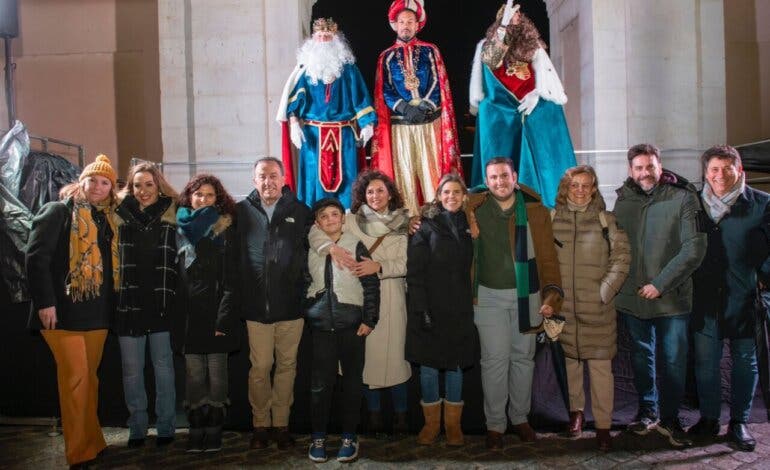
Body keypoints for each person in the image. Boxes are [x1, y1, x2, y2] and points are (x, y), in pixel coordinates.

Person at [26, 154, 119, 468]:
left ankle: (93, 440)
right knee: (75, 380)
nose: (97, 187)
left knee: (90, 379)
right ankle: (79, 452)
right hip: (63, 313)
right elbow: (35, 259)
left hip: (97, 313)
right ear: (82, 181)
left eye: (105, 182)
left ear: (111, 188)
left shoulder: (108, 219)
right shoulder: (57, 211)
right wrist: (45, 303)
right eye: (92, 180)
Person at [465, 157, 563, 449]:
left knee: (522, 359)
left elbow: (547, 257)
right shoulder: (474, 207)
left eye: (504, 176)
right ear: (486, 181)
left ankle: (520, 418)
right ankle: (495, 424)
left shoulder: (535, 210)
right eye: (493, 177)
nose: (500, 182)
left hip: (528, 295)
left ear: (515, 177)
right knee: (494, 361)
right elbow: (441, 202)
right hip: (488, 297)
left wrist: (552, 295)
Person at [613, 143, 706, 447]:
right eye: (639, 168)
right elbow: (616, 247)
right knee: (642, 358)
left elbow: (694, 249)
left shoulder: (683, 197)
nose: (645, 173)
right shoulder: (623, 201)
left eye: (650, 166)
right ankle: (647, 412)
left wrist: (660, 283)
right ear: (631, 170)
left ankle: (670, 419)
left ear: (660, 167)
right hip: (633, 298)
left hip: (671, 298)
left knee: (673, 360)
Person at [307, 170, 411, 436]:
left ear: (390, 194)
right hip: (360, 297)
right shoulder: (350, 219)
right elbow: (315, 231)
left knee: (396, 360)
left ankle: (401, 416)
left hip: (392, 296)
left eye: (380, 190)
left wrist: (379, 266)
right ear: (363, 195)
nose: (375, 196)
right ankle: (373, 416)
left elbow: (406, 263)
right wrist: (330, 248)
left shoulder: (403, 223)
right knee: (368, 361)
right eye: (370, 191)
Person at [688, 145, 770, 452]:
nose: (720, 175)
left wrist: (764, 280)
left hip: (744, 297)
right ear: (706, 173)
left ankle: (739, 422)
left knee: (745, 362)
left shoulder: (762, 204)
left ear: (739, 170)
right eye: (714, 169)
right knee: (705, 363)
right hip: (704, 298)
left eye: (726, 168)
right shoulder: (694, 204)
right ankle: (709, 419)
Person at [550, 165, 630, 451]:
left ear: (594, 188)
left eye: (586, 185)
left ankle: (603, 426)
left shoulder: (606, 220)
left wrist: (604, 292)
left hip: (598, 309)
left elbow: (622, 257)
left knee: (600, 368)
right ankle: (576, 414)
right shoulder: (552, 219)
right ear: (566, 188)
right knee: (571, 364)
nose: (580, 190)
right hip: (564, 309)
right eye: (575, 185)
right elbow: (544, 261)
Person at [235, 157, 312, 450]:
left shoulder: (300, 211)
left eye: (273, 175)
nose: (268, 181)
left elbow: (314, 249)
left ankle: (281, 424)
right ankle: (260, 425)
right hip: (256, 308)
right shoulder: (241, 212)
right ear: (254, 180)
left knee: (287, 366)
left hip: (291, 307)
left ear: (283, 179)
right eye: (262, 176)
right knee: (261, 367)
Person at [469, 0, 576, 208]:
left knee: (548, 111)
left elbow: (546, 78)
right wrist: (503, 28)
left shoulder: (533, 45)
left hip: (531, 102)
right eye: (511, 16)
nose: (516, 19)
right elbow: (491, 60)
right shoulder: (487, 45)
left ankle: (548, 198)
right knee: (490, 113)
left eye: (518, 16)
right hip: (500, 107)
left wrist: (537, 94)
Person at [370, 0, 463, 216]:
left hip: (429, 121)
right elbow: (384, 89)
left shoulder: (430, 50)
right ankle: (408, 221)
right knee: (404, 174)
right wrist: (404, 108)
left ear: (417, 25)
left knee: (432, 172)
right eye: (402, 21)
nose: (406, 26)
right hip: (401, 125)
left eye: (410, 21)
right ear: (395, 25)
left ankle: (438, 218)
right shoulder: (386, 56)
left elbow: (438, 81)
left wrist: (425, 105)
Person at [304, 198, 380, 463]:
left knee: (352, 383)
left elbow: (371, 284)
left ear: (343, 218)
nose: (330, 220)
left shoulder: (355, 245)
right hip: (321, 326)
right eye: (323, 216)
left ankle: (349, 436)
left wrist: (369, 319)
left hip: (351, 325)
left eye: (334, 214)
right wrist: (309, 307)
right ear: (317, 222)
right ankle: (318, 437)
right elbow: (302, 280)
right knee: (320, 386)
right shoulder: (312, 246)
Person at [406, 173, 477, 447]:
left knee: (456, 365)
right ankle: (432, 425)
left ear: (464, 196)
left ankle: (453, 426)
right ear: (438, 196)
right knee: (429, 367)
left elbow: (488, 191)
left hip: (460, 308)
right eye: (446, 192)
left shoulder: (471, 223)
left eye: (457, 192)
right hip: (430, 307)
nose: (451, 197)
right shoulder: (425, 226)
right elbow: (415, 272)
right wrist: (421, 308)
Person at [276, 17, 376, 209]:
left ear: (336, 39)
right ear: (313, 39)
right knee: (313, 181)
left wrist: (367, 124)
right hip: (313, 136)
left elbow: (361, 99)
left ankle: (347, 220)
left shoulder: (349, 70)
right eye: (320, 36)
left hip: (344, 135)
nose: (323, 40)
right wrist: (294, 124)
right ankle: (312, 220)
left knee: (348, 179)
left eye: (327, 36)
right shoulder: (305, 71)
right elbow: (293, 101)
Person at [113, 163, 178, 448]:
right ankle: (137, 427)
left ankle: (166, 426)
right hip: (128, 303)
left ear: (158, 186)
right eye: (137, 185)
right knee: (131, 370)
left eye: (149, 184)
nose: (143, 191)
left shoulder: (172, 213)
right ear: (130, 188)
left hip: (161, 302)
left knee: (163, 369)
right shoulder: (118, 215)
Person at [174, 174, 239, 453]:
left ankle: (214, 428)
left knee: (218, 377)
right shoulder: (177, 229)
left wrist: (223, 319)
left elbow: (232, 279)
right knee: (194, 377)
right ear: (189, 197)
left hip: (216, 314)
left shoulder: (225, 228)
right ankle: (196, 427)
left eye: (209, 195)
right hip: (189, 317)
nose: (203, 199)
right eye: (198, 194)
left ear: (217, 199)